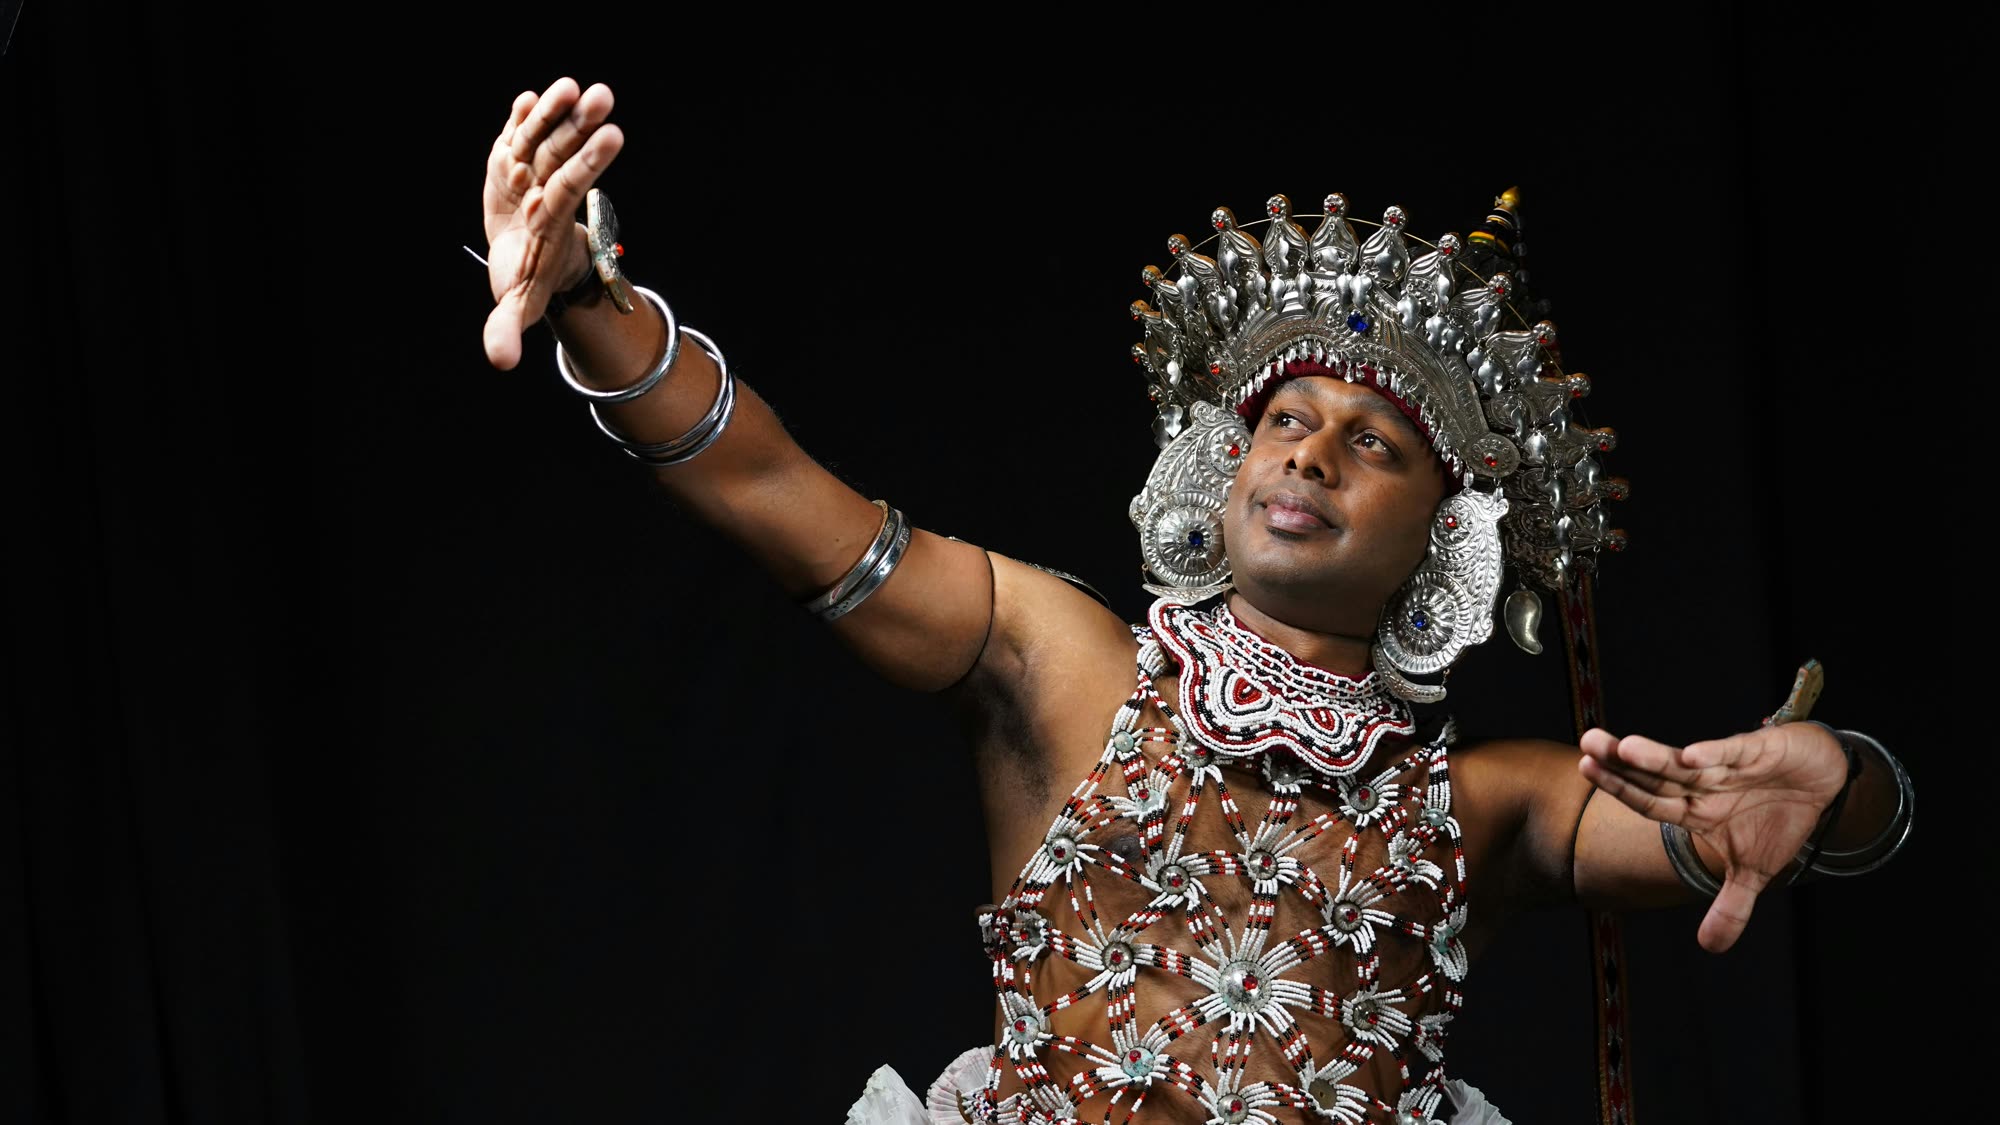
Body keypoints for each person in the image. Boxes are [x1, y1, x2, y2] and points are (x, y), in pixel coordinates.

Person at [477, 78, 1914, 1125]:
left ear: (1444, 539)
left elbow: (1745, 835)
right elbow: (772, 485)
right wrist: (590, 305)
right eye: (1287, 413)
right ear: (1221, 461)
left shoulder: (1488, 803)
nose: (1310, 448)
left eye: (1376, 442)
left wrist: (1842, 784)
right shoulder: (1062, 660)